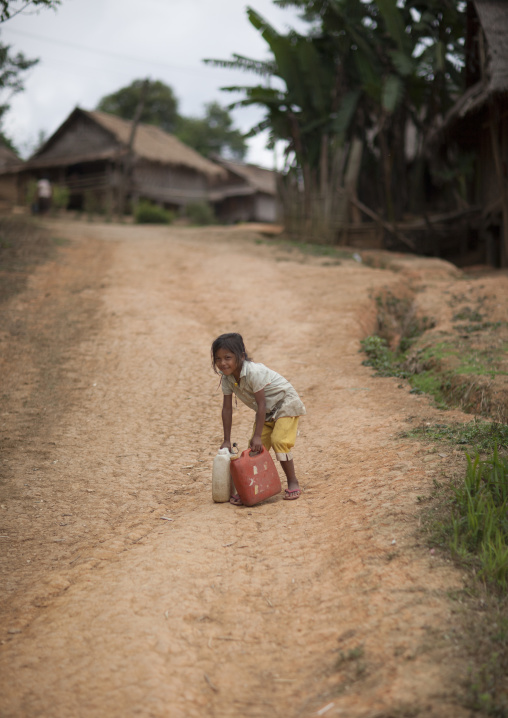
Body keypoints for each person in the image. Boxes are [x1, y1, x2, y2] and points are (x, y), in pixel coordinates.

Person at [211, 332, 306, 504]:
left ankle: (293, 481)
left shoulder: (254, 372)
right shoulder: (227, 377)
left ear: (241, 356)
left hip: (285, 404)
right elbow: (227, 408)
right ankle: (251, 488)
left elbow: (261, 404)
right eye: (218, 359)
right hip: (268, 412)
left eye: (227, 357)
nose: (222, 363)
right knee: (253, 450)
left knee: (279, 441)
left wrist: (257, 435)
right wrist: (226, 440)